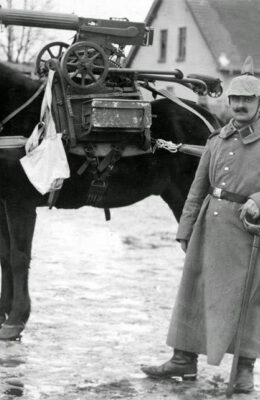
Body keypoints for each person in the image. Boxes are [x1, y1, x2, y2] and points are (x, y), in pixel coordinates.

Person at [141, 56, 260, 394]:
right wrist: (186, 228)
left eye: (246, 100)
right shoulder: (217, 141)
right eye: (234, 99)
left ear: (258, 103)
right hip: (210, 225)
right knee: (193, 291)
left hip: (247, 231)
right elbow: (197, 189)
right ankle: (183, 358)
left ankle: (243, 369)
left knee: (247, 299)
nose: (239, 105)